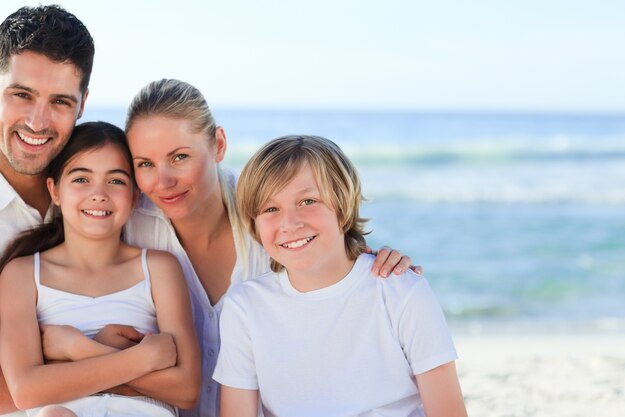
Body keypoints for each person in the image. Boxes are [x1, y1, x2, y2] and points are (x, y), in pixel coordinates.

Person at [112, 79, 416, 417]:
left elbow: (334, 267)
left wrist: (378, 265)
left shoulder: (272, 218)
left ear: (219, 144)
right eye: (145, 164)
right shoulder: (127, 226)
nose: (163, 181)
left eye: (180, 157)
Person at [213, 135, 467, 417]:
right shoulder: (245, 307)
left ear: (343, 207)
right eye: (271, 209)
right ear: (254, 224)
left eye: (308, 201)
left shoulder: (401, 291)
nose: (290, 223)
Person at [0, 122, 201, 417]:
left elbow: (186, 390)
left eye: (116, 181)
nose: (99, 194)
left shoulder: (159, 269)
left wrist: (76, 350)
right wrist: (144, 358)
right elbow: (27, 390)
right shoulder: (22, 274)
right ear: (55, 190)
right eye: (81, 179)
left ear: (134, 196)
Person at [0, 5, 95, 415]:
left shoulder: (102, 192)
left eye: (60, 101)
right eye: (22, 95)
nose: (38, 123)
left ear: (83, 104)